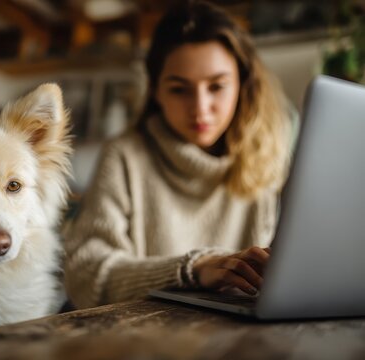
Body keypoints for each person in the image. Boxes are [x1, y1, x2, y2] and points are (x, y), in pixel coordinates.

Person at [63, 0, 296, 309]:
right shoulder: (124, 156)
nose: (200, 108)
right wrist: (194, 269)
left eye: (216, 86)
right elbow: (85, 276)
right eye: (179, 89)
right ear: (156, 91)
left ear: (242, 84)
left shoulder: (268, 155)